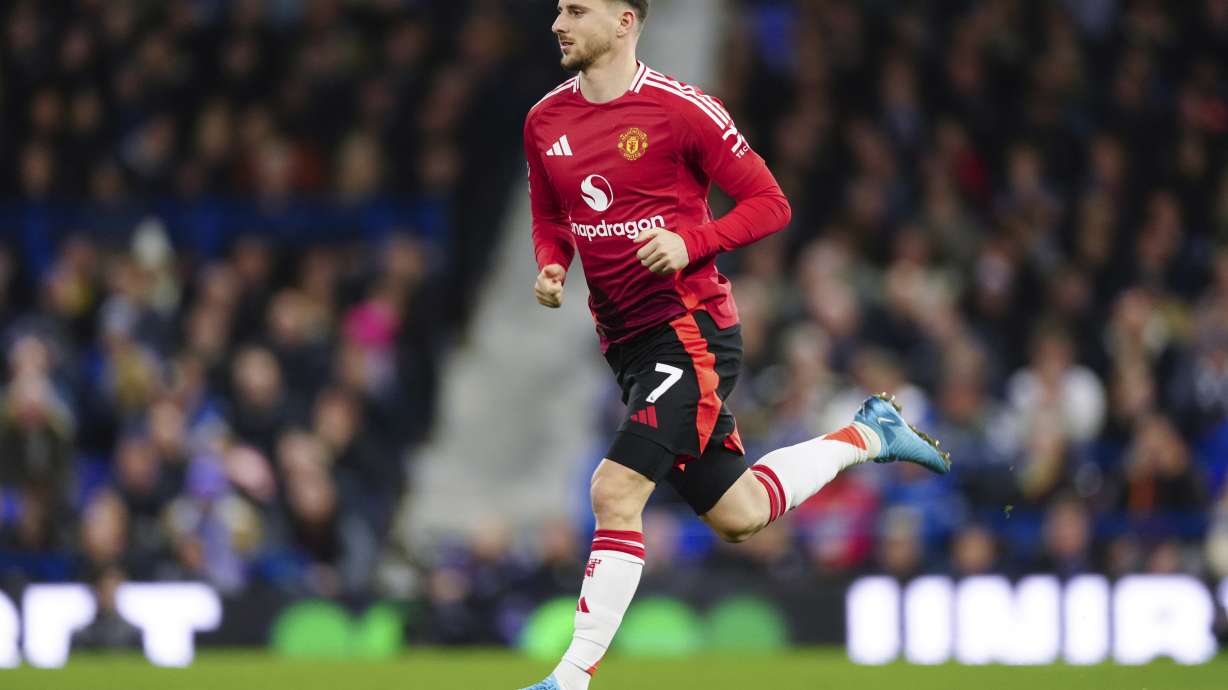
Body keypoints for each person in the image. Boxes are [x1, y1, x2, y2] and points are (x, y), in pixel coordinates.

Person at [519, 2, 950, 688]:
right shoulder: (545, 119)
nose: (557, 23)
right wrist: (552, 264)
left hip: (689, 331)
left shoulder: (682, 110)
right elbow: (552, 213)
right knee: (740, 513)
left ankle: (570, 677)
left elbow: (770, 203)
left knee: (614, 490)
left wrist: (690, 242)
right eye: (558, 8)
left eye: (576, 9)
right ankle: (871, 435)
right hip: (626, 344)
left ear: (625, 21)